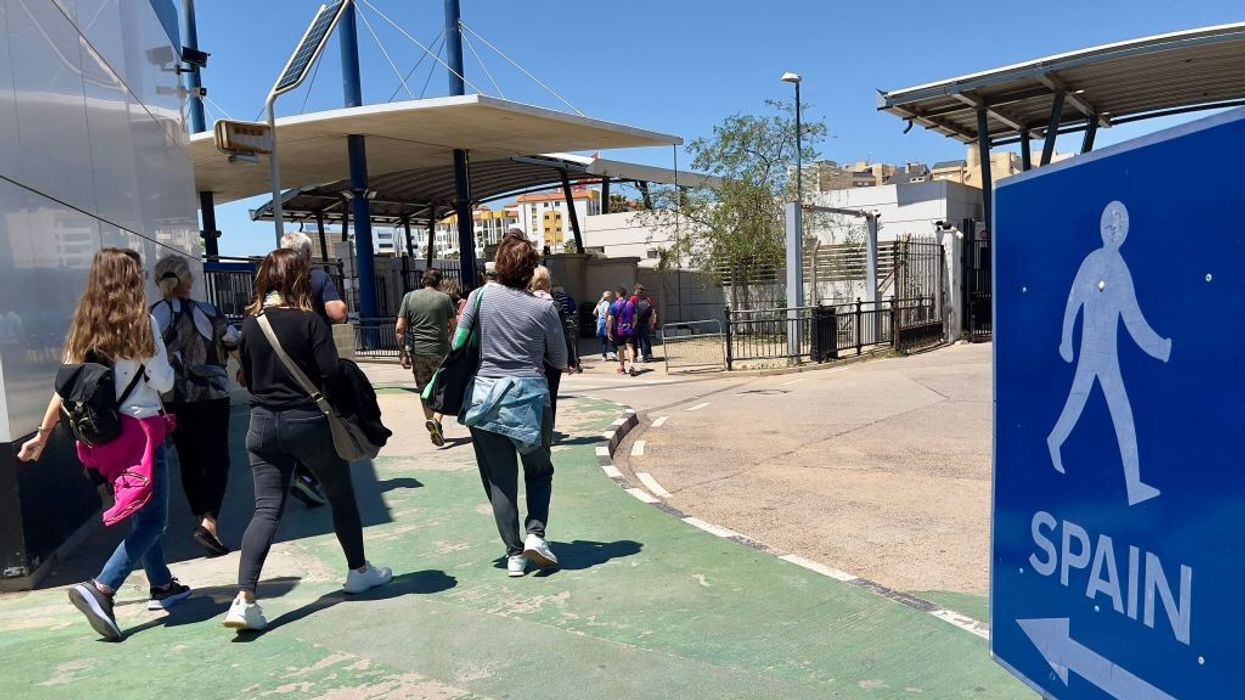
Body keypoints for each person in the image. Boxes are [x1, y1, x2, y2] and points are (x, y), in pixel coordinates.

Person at [18, 248, 186, 642]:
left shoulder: (83, 328)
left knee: (139, 514)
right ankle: (102, 588)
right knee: (153, 520)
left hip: (100, 441)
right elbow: (164, 383)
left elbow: (64, 389)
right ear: (129, 280)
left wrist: (42, 437)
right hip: (140, 436)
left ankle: (161, 584)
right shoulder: (140, 325)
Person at [227, 249, 391, 632]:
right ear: (301, 280)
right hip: (309, 422)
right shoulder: (310, 323)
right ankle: (358, 571)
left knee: (266, 510)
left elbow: (246, 375)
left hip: (262, 425)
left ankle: (244, 598)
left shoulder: (252, 324)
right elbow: (331, 373)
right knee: (340, 496)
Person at [455, 231, 567, 577]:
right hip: (531, 400)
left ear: (498, 266)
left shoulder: (480, 296)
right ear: (531, 269)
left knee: (500, 481)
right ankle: (536, 534)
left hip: (485, 399)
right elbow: (560, 359)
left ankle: (514, 554)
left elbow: (458, 342)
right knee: (539, 471)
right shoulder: (544, 307)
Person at [151, 254, 237, 558]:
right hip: (213, 396)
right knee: (217, 459)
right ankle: (210, 521)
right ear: (188, 280)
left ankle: (200, 517)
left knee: (189, 460)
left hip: (174, 399)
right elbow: (232, 340)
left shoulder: (152, 316)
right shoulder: (209, 311)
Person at [279, 232, 338, 507]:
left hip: (278, 361)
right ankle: (308, 475)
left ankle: (291, 474)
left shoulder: (271, 282)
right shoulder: (318, 279)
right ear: (307, 255)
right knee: (320, 417)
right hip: (312, 362)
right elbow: (338, 313)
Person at [397, 268, 457, 447]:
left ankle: (432, 422)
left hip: (418, 352)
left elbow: (400, 328)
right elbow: (454, 326)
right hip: (441, 351)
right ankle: (436, 421)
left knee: (424, 390)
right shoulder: (445, 299)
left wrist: (402, 352)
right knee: (443, 388)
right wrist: (451, 342)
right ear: (439, 283)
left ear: (423, 281)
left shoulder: (409, 298)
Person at [608, 285, 638, 376]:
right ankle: (632, 365)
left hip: (619, 330)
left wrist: (609, 331)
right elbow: (635, 317)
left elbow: (609, 318)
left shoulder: (613, 305)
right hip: (629, 329)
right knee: (630, 347)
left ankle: (622, 368)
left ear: (617, 294)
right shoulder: (630, 304)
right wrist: (632, 326)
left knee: (620, 349)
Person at [631, 283, 658, 363]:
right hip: (645, 322)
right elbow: (652, 312)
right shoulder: (647, 299)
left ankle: (635, 356)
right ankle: (646, 356)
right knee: (645, 339)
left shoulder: (633, 299)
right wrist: (652, 323)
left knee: (634, 340)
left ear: (635, 290)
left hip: (635, 322)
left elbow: (630, 311)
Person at [594, 291, 615, 361]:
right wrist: (607, 320)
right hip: (606, 321)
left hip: (600, 321)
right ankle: (614, 352)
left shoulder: (599, 303)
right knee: (611, 336)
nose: (612, 298)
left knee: (604, 340)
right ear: (608, 297)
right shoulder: (607, 303)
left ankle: (604, 355)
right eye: (611, 296)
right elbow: (606, 312)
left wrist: (599, 316)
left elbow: (594, 312)